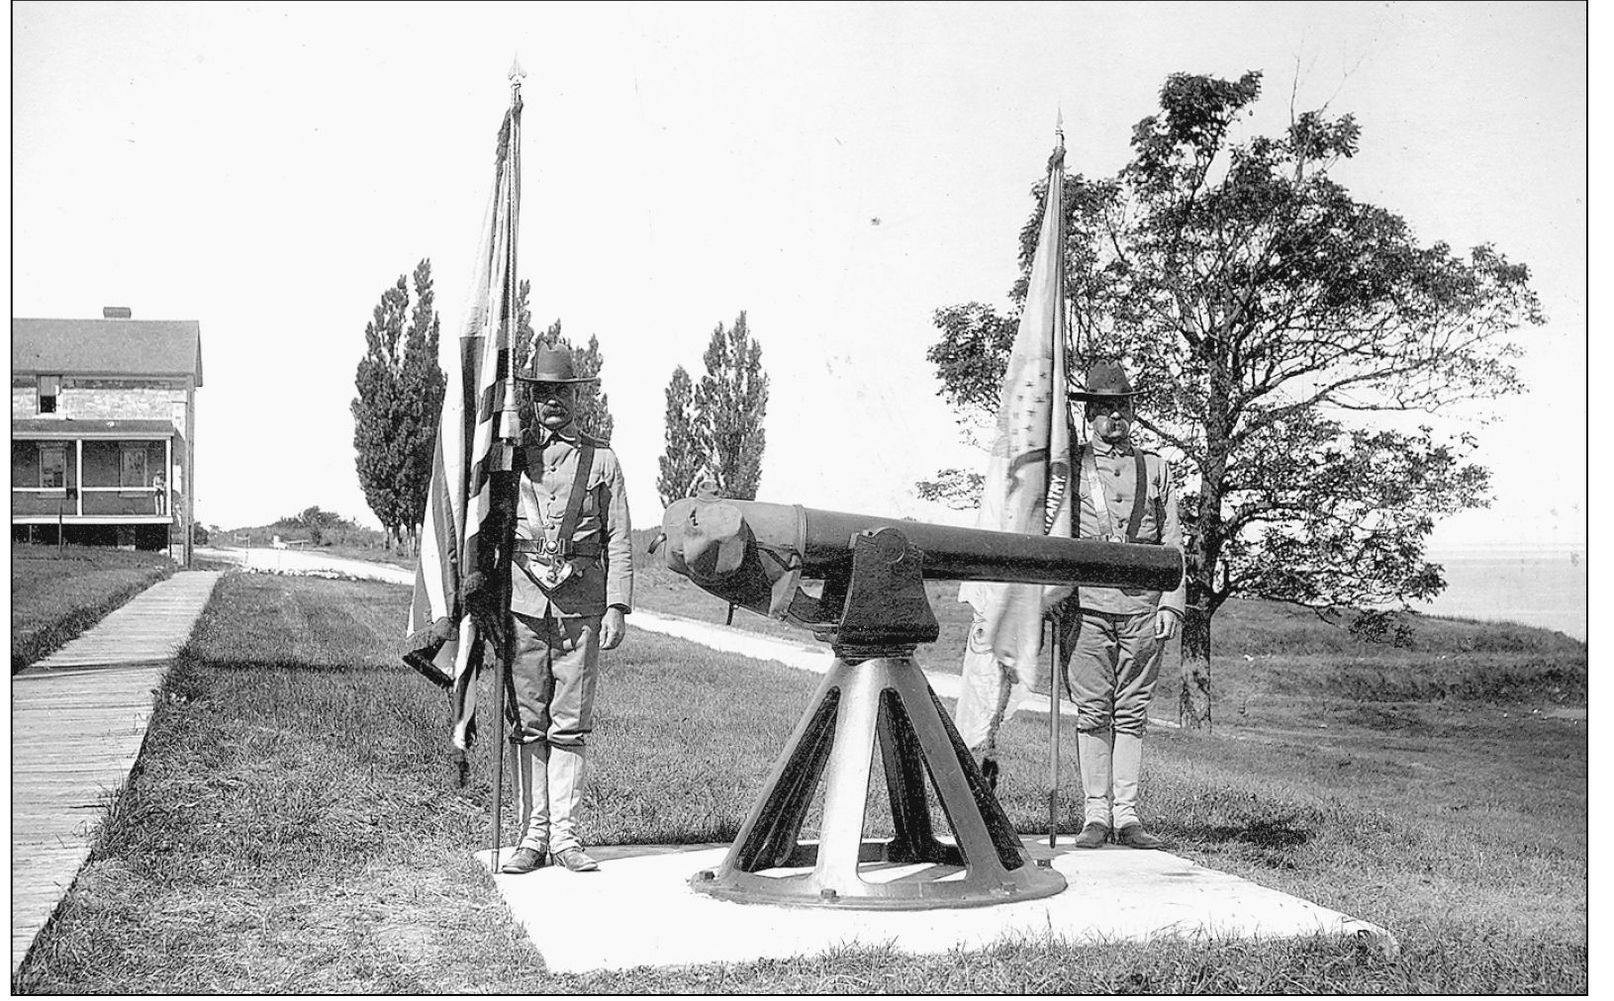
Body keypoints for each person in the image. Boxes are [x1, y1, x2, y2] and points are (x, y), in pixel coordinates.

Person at [499, 344, 634, 875]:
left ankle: (566, 836)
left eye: (561, 392)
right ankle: (532, 836)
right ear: (531, 399)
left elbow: (619, 537)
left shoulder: (602, 459)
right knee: (528, 721)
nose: (552, 402)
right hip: (524, 604)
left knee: (570, 723)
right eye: (542, 393)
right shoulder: (511, 457)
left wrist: (618, 606)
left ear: (577, 397)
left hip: (581, 606)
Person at [1059, 359, 1185, 850]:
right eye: (1105, 409)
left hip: (1142, 607)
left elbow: (1172, 540)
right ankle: (1095, 815)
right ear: (1090, 415)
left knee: (1132, 712)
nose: (1116, 418)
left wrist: (1172, 604)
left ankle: (1127, 815)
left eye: (1123, 408)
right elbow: (1054, 532)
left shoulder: (1155, 468)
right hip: (1087, 606)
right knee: (1093, 711)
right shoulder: (1070, 467)